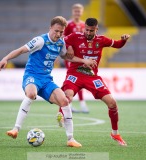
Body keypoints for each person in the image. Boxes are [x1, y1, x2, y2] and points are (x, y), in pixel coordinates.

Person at [0, 16, 96, 148]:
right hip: (32, 76)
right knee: (31, 94)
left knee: (65, 101)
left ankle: (70, 139)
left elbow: (66, 56)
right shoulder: (40, 41)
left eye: (61, 32)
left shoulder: (60, 43)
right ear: (50, 28)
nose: (58, 34)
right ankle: (15, 129)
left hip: (46, 80)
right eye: (56, 31)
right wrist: (5, 59)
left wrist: (84, 61)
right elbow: (21, 50)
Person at [57, 18, 130, 146]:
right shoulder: (75, 36)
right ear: (84, 27)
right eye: (86, 29)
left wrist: (123, 40)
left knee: (112, 103)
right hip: (75, 74)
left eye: (91, 30)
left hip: (92, 77)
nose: (88, 33)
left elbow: (117, 44)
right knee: (67, 96)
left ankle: (115, 133)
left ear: (96, 29)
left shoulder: (101, 40)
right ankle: (60, 115)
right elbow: (59, 41)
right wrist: (68, 46)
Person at [63, 3, 89, 113]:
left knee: (80, 78)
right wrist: (69, 47)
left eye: (79, 11)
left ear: (82, 12)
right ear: (72, 12)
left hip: (81, 56)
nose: (77, 13)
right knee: (72, 78)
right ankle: (70, 103)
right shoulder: (68, 24)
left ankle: (80, 103)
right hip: (70, 57)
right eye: (75, 11)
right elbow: (63, 37)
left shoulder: (84, 25)